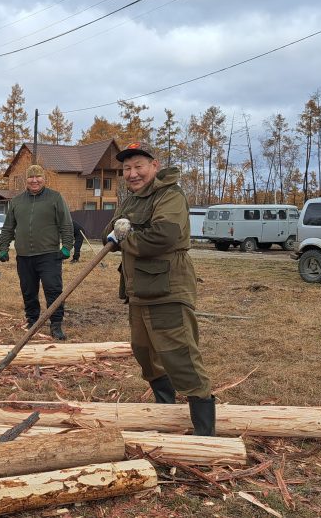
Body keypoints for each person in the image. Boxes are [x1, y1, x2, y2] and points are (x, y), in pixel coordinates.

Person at [103, 142, 215, 436]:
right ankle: (165, 410)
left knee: (179, 354)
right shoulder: (132, 200)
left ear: (155, 165)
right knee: (145, 354)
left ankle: (205, 431)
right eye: (127, 168)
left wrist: (124, 238)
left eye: (138, 166)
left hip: (167, 290)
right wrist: (118, 234)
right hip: (138, 290)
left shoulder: (170, 195)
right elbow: (110, 231)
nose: (132, 173)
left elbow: (162, 236)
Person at [0, 164, 74, 340]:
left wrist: (67, 246)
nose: (34, 180)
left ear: (43, 178)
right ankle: (32, 321)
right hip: (24, 257)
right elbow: (9, 227)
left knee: (53, 290)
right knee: (28, 291)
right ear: (26, 180)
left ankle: (56, 324)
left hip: (49, 255)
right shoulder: (17, 201)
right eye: (31, 177)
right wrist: (3, 248)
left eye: (38, 177)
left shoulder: (55, 198)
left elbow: (66, 223)